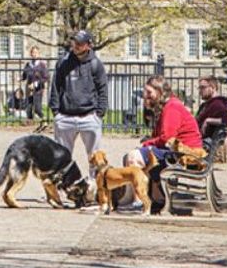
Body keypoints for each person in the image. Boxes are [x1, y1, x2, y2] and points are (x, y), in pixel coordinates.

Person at [119, 75, 202, 211]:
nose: (146, 96)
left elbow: (167, 138)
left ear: (159, 92)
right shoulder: (168, 106)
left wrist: (147, 144)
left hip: (183, 154)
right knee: (130, 156)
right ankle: (148, 198)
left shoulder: (172, 107)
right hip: (177, 151)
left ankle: (139, 202)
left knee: (134, 157)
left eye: (149, 92)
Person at [49, 30, 106, 170]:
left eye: (80, 43)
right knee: (61, 157)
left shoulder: (95, 64)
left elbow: (102, 88)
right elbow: (55, 86)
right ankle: (64, 186)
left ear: (88, 45)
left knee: (94, 157)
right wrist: (56, 111)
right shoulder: (63, 62)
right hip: (65, 116)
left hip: (89, 116)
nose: (75, 46)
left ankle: (94, 186)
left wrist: (100, 113)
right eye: (74, 42)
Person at [22, 46, 49, 120]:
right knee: (29, 108)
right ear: (30, 54)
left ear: (39, 54)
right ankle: (30, 124)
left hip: (38, 89)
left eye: (36, 53)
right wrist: (20, 78)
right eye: (33, 52)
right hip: (29, 89)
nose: (34, 54)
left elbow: (46, 78)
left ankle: (44, 120)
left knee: (37, 108)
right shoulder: (28, 64)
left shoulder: (42, 65)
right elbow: (24, 75)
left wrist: (35, 84)